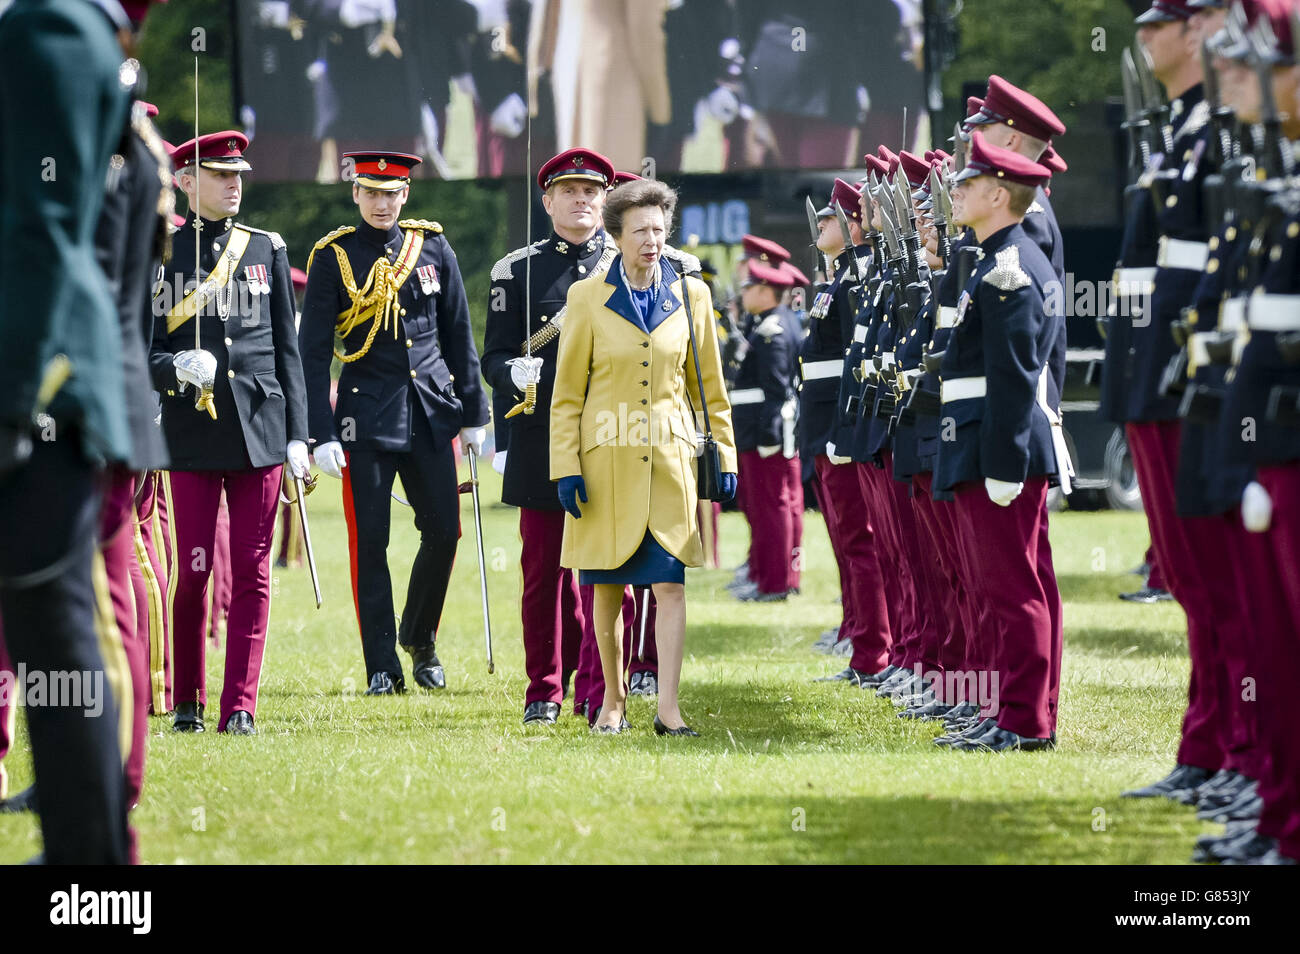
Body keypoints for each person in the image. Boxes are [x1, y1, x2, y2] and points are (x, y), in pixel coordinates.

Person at [0, 0, 155, 863]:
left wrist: (14, 397)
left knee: (59, 645)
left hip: (41, 386)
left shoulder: (51, 27)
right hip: (46, 377)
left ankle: (93, 879)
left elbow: (46, 225)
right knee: (49, 646)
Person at [550, 178, 737, 735]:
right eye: (640, 231)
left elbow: (710, 385)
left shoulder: (693, 295)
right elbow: (566, 395)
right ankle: (611, 702)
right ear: (616, 236)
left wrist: (723, 453)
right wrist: (566, 465)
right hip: (603, 467)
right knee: (606, 589)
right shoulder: (586, 297)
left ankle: (669, 709)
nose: (651, 240)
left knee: (670, 585)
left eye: (659, 229)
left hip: (669, 466)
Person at [300, 151, 489, 695]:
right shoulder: (333, 257)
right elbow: (313, 355)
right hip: (365, 417)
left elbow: (458, 335)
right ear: (355, 195)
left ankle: (419, 636)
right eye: (372, 193)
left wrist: (475, 413)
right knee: (371, 544)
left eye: (392, 193)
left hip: (432, 414)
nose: (382, 203)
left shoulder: (431, 246)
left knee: (445, 532)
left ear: (406, 195)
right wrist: (320, 432)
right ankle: (382, 664)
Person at [150, 130, 309, 736]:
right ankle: (187, 697)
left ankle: (239, 704)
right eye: (220, 175)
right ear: (186, 182)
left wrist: (299, 433)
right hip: (194, 431)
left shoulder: (265, 248)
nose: (235, 183)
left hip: (260, 429)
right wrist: (174, 368)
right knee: (192, 571)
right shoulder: (160, 251)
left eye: (238, 173)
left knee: (253, 571)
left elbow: (286, 351)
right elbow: (142, 349)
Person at [930, 132, 1065, 752]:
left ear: (997, 193)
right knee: (1005, 586)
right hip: (982, 442)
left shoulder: (1009, 266)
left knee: (1012, 589)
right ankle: (1013, 711)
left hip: (998, 447)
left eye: (966, 183)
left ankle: (1024, 721)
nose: (954, 191)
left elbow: (1014, 376)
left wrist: (1005, 464)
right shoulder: (991, 257)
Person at [481, 147, 616, 726]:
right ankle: (544, 688)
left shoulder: (630, 264)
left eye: (590, 192)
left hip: (610, 432)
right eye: (569, 192)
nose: (581, 200)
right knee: (544, 571)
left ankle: (600, 685)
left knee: (607, 569)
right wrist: (510, 376)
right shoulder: (516, 270)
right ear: (548, 201)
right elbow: (492, 356)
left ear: (605, 200)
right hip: (540, 436)